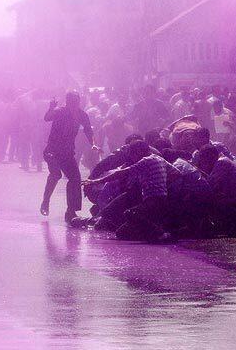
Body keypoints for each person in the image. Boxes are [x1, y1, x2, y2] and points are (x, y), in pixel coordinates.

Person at [83, 140, 181, 242]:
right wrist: (162, 181)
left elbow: (122, 173)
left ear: (138, 152)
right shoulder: (160, 159)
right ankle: (150, 235)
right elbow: (177, 173)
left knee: (130, 213)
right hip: (158, 199)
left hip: (154, 200)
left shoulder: (146, 161)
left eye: (132, 154)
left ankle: (162, 234)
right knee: (121, 233)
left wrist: (96, 181)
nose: (131, 158)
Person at [40, 91, 100, 222]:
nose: (73, 105)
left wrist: (94, 144)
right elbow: (47, 117)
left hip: (67, 152)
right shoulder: (60, 111)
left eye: (76, 102)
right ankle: (46, 200)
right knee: (56, 174)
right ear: (67, 102)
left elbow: (88, 130)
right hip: (52, 150)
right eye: (70, 102)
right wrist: (51, 107)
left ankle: (71, 211)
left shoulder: (82, 114)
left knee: (75, 179)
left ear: (79, 102)